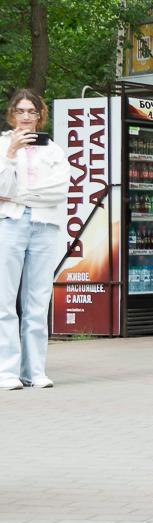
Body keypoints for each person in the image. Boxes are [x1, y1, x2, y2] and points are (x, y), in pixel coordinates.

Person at [0, 88, 66, 391]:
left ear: (40, 115)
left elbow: (59, 191)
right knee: (5, 301)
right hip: (10, 223)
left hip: (45, 226)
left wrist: (19, 194)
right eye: (20, 111)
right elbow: (1, 185)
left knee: (38, 301)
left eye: (32, 111)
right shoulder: (2, 145)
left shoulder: (52, 150)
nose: (26, 117)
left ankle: (35, 370)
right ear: (12, 113)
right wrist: (11, 154)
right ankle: (7, 371)